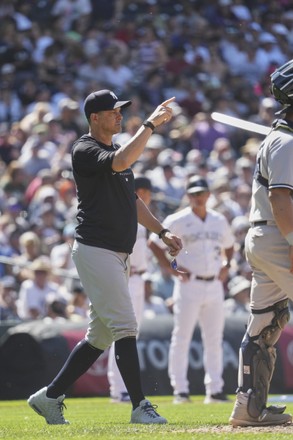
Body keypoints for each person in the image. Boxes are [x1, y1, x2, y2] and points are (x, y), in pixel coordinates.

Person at [28, 89, 182, 425]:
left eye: (120, 111)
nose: (119, 116)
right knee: (126, 325)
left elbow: (132, 201)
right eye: (113, 111)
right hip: (96, 249)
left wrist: (161, 231)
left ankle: (49, 396)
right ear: (94, 117)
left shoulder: (113, 149)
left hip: (116, 253)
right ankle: (140, 406)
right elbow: (123, 162)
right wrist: (151, 126)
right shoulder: (85, 148)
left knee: (99, 337)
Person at [229, 60, 293, 427]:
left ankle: (248, 408)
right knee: (267, 323)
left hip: (266, 236)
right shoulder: (285, 142)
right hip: (279, 235)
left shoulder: (280, 139)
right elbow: (282, 199)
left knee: (266, 323)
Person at [148, 175, 235, 404]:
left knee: (214, 338)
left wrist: (227, 264)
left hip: (214, 283)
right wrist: (169, 268)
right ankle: (180, 390)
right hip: (189, 284)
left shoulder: (218, 219)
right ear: (188, 196)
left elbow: (229, 245)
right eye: (193, 193)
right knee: (182, 336)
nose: (197, 197)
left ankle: (215, 390)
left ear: (208, 194)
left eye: (201, 193)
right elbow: (153, 243)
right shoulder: (178, 219)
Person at [107, 174, 153, 403]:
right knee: (122, 332)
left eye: (146, 192)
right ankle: (118, 387)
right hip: (125, 276)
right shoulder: (123, 212)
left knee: (132, 332)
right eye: (139, 192)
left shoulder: (145, 220)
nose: (143, 196)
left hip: (139, 278)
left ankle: (122, 387)